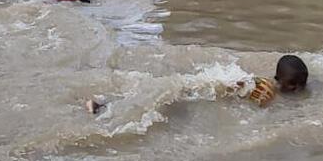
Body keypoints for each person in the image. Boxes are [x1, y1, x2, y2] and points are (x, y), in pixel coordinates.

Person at [86, 55, 308, 114]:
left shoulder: (268, 84)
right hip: (211, 90)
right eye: (293, 84)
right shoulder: (265, 87)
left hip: (211, 92)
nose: (296, 89)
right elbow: (241, 88)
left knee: (166, 98)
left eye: (300, 84)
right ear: (279, 79)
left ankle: (106, 103)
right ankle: (105, 104)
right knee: (170, 97)